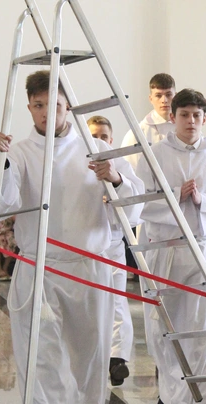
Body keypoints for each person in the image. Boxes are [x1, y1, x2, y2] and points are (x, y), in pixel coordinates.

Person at [0, 70, 145, 404]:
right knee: (40, 354)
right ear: (29, 108)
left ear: (66, 105)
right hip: (39, 267)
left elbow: (135, 207)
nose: (44, 113)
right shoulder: (18, 152)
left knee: (83, 358)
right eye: (37, 106)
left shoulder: (98, 149)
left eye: (51, 105)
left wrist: (117, 179)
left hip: (87, 270)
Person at [136, 88, 206, 404]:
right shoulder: (155, 154)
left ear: (205, 119)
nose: (191, 121)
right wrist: (174, 199)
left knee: (205, 331)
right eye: (184, 115)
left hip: (201, 251)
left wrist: (203, 201)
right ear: (173, 117)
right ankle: (167, 396)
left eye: (197, 115)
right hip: (165, 251)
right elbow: (140, 204)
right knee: (165, 327)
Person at [87, 115, 135, 386]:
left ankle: (117, 359)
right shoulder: (77, 165)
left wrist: (116, 183)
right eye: (95, 136)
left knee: (117, 301)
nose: (100, 141)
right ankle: (93, 358)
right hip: (83, 249)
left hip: (113, 243)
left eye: (104, 137)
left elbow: (135, 203)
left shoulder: (121, 164)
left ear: (111, 140)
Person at [120, 73, 176, 169]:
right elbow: (129, 171)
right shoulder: (137, 134)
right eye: (158, 95)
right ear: (151, 99)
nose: (164, 100)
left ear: (176, 96)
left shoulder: (186, 127)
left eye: (168, 94)